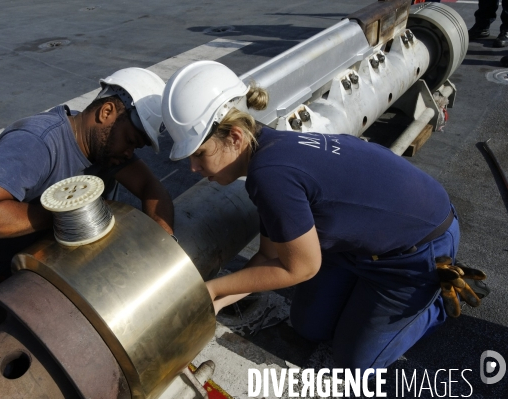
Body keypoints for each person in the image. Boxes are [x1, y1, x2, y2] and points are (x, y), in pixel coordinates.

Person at [161, 60, 461, 370]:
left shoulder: (269, 175)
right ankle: (362, 294)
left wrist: (211, 288)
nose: (194, 169)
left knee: (357, 362)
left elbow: (301, 268)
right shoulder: (271, 148)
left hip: (414, 251)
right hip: (354, 248)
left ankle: (430, 304)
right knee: (309, 327)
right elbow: (267, 256)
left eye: (199, 154)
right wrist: (216, 302)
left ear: (235, 137)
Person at [0, 68, 174, 380]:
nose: (129, 153)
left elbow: (153, 192)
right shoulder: (38, 142)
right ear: (107, 112)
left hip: (21, 246)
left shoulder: (103, 148)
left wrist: (161, 247)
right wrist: (67, 212)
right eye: (130, 141)